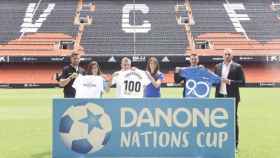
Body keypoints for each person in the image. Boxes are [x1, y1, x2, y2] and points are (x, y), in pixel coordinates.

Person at [214, 48, 245, 149]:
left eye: (229, 54)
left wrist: (230, 82)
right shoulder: (217, 66)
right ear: (222, 55)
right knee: (218, 120)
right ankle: (220, 143)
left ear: (232, 56)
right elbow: (215, 81)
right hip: (219, 97)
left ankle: (235, 145)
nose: (227, 56)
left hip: (232, 97)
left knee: (233, 120)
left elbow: (243, 82)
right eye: (225, 54)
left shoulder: (237, 67)